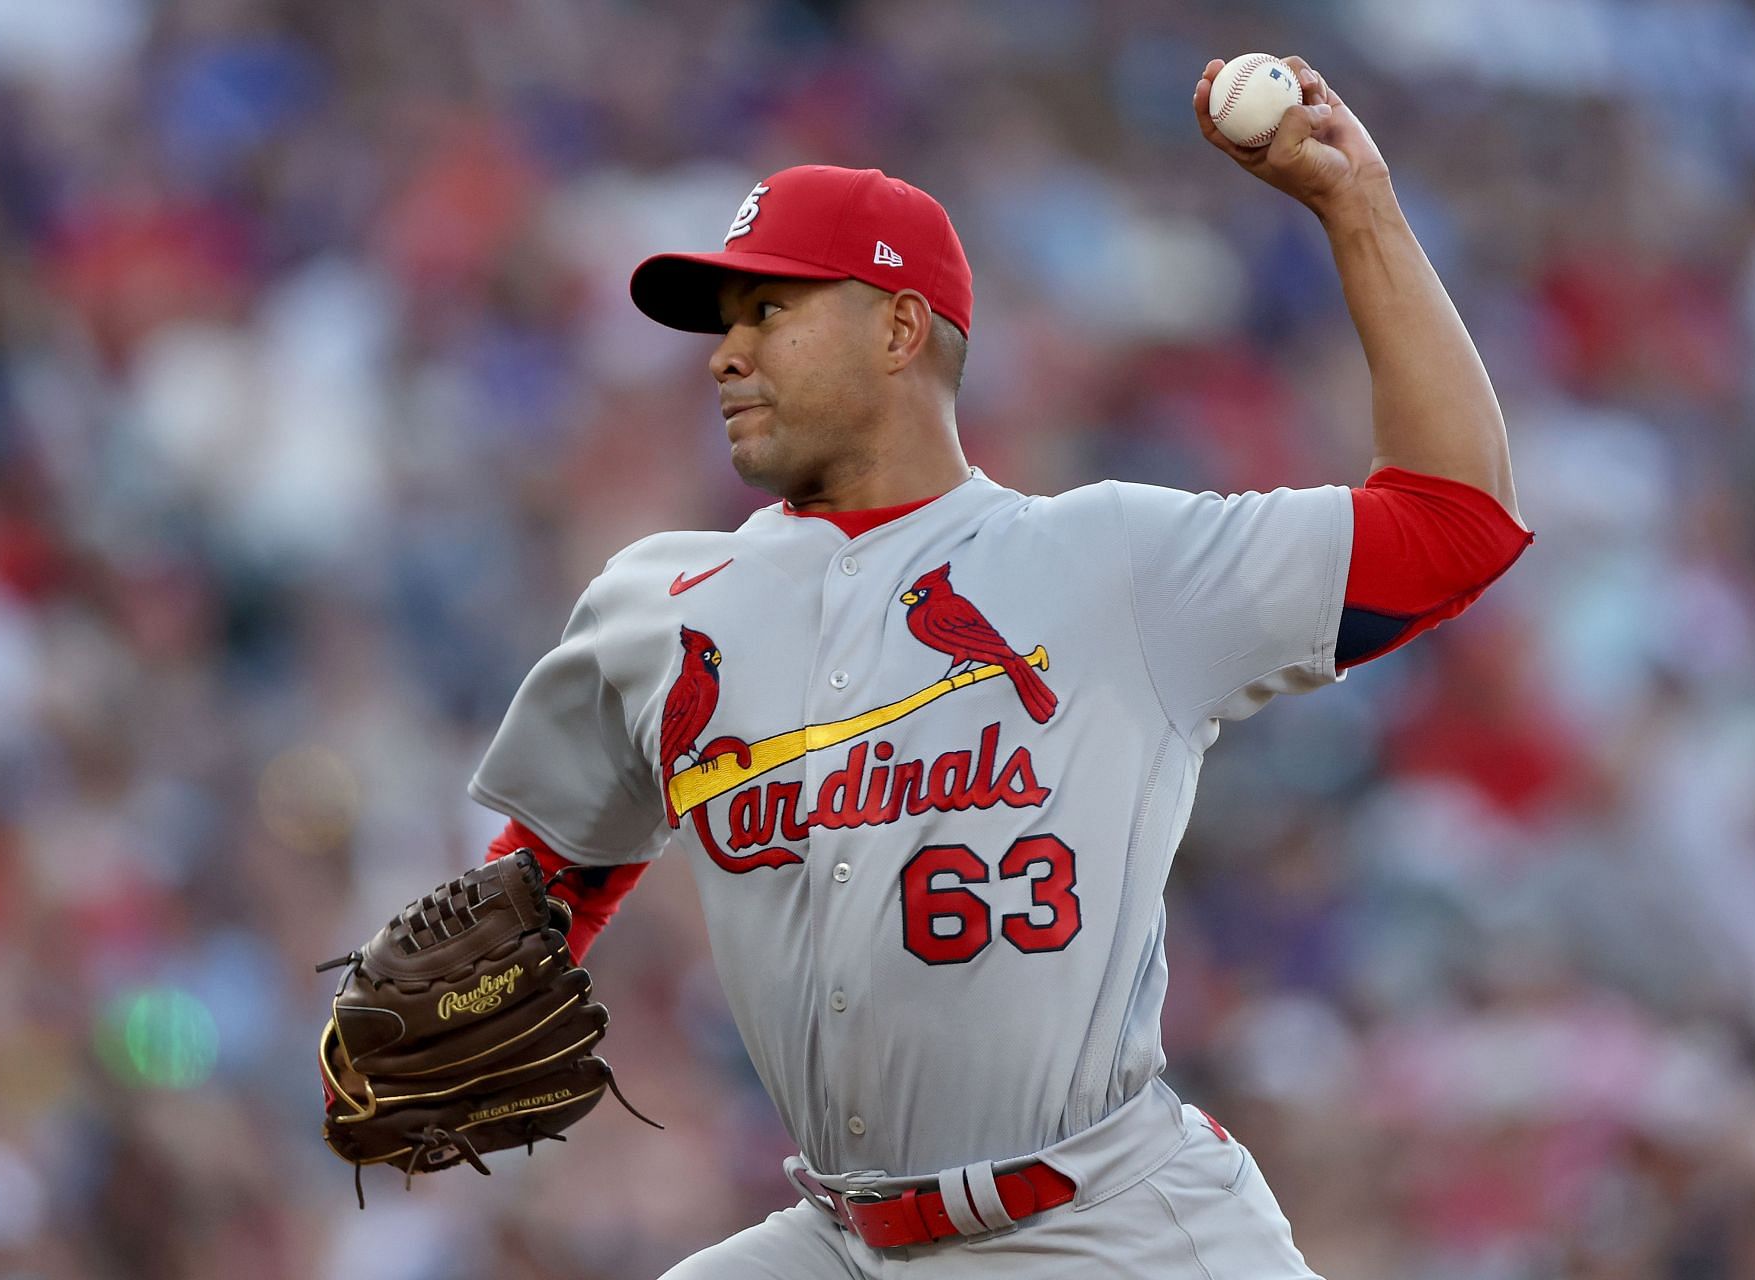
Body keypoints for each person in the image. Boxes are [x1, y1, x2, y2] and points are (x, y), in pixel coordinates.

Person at [467, 55, 1530, 1277]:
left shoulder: (1111, 560)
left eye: (771, 310)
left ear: (901, 327)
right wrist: (463, 1004)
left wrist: (1361, 211)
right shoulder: (656, 605)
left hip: (1111, 1227)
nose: (725, 352)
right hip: (840, 1238)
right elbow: (551, 875)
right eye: (725, 321)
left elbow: (1456, 522)